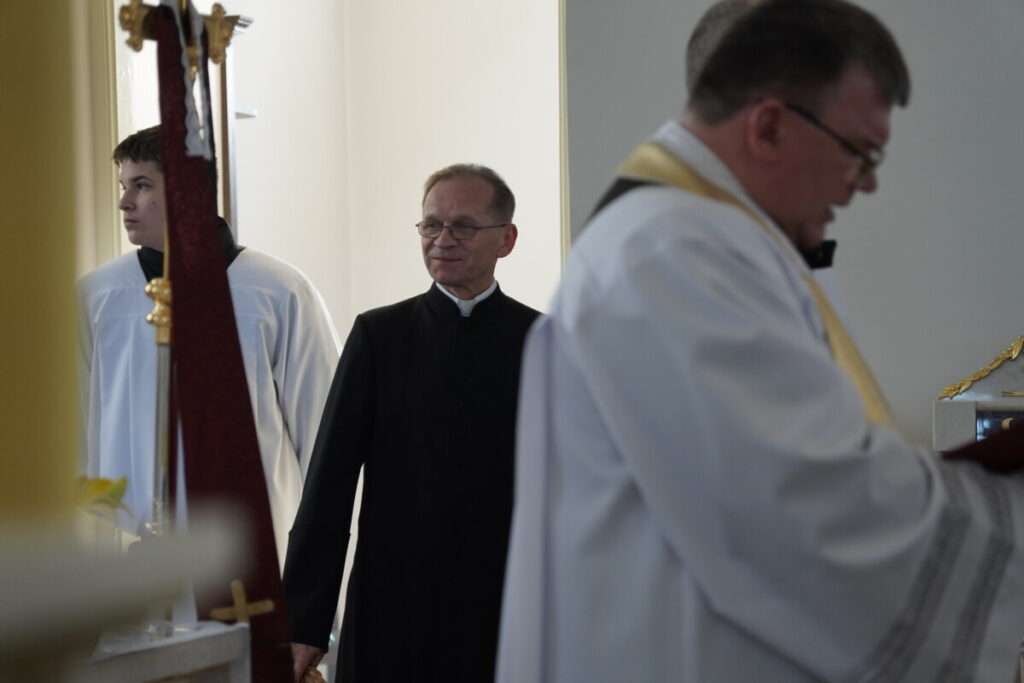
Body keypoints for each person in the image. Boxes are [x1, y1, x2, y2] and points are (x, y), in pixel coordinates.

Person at [496, 1, 1024, 681]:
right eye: (860, 152)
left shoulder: (697, 241)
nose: (866, 183)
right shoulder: (673, 253)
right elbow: (812, 514)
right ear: (770, 127)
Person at [283, 164, 540, 682]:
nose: (443, 240)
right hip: (393, 601)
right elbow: (329, 483)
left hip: (505, 600)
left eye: (463, 226)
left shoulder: (542, 340)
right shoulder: (379, 336)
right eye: (431, 225)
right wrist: (304, 620)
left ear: (506, 239)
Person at [78, 126, 340, 574]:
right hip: (132, 547)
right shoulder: (98, 296)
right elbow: (78, 428)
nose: (125, 202)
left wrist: (313, 557)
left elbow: (321, 426)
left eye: (142, 185)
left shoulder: (277, 291)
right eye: (124, 186)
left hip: (251, 544)